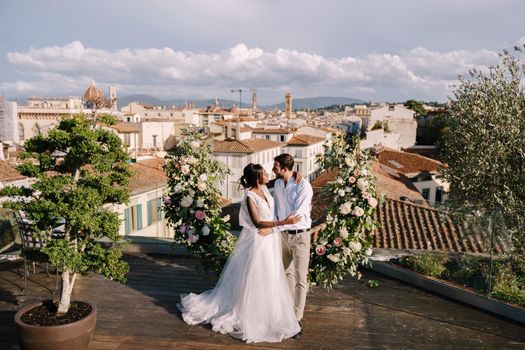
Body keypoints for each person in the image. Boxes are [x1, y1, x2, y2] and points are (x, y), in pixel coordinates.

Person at [178, 163, 301, 343]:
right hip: (259, 240)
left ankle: (271, 312)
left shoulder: (266, 187)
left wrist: (295, 173)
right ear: (258, 177)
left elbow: (280, 178)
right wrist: (283, 222)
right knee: (258, 276)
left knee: (272, 276)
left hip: (270, 240)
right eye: (264, 173)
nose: (268, 174)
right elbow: (258, 222)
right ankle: (254, 314)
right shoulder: (250, 196)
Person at [271, 153, 313, 338]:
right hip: (283, 235)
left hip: (300, 236)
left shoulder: (303, 185)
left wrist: (277, 224)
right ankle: (287, 313)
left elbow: (297, 213)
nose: (273, 169)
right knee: (287, 274)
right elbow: (277, 208)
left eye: (276, 166)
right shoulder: (279, 183)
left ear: (285, 169)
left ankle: (296, 319)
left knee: (300, 279)